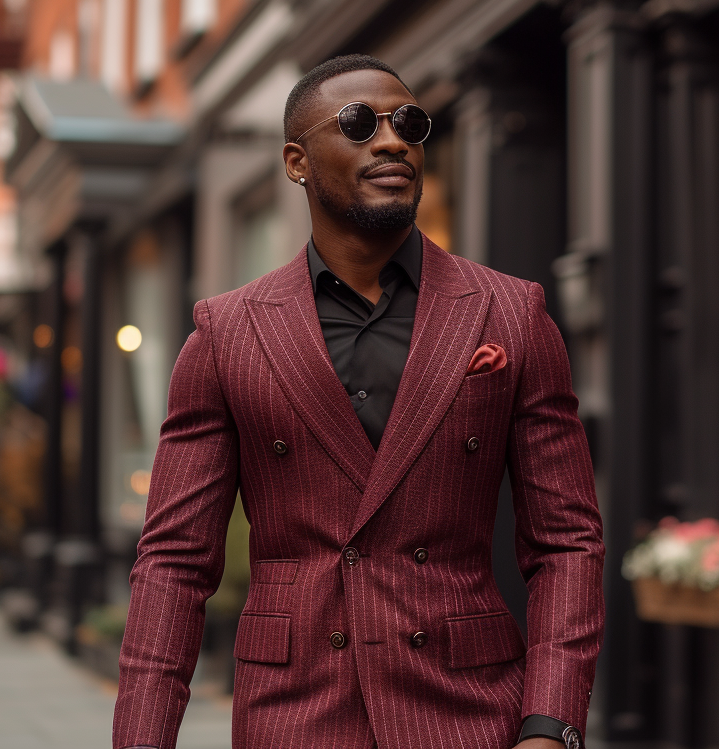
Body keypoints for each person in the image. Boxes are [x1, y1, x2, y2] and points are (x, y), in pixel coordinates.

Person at [112, 55, 604, 749]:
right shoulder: (227, 334)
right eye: (358, 124)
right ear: (296, 161)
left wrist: (551, 726)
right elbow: (173, 562)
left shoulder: (511, 314)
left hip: (467, 712)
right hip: (297, 714)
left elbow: (567, 542)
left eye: (409, 122)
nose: (393, 140)